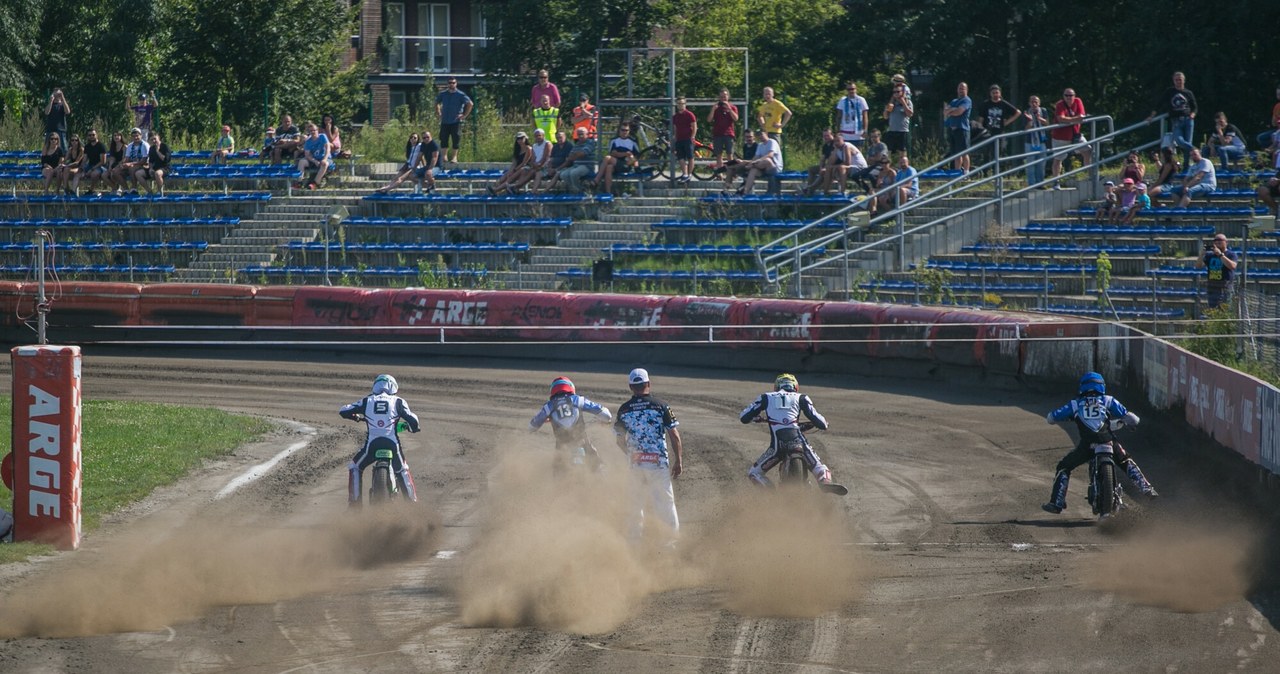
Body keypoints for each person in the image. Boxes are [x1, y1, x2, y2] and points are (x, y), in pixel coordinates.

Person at [1041, 372, 1158, 514]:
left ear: (1082, 387)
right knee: (1126, 460)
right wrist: (1128, 422)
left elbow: (1051, 418)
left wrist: (1068, 417)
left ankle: (1056, 503)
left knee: (1063, 466)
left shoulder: (1075, 404)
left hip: (1087, 445)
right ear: (1101, 386)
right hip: (1108, 441)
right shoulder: (1108, 400)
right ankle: (1147, 489)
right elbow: (1133, 419)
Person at [613, 368, 683, 545]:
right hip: (658, 463)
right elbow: (674, 435)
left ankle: (633, 544)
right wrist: (679, 461)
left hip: (636, 464)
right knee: (665, 504)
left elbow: (619, 439)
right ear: (648, 384)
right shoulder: (661, 405)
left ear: (631, 387)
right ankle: (670, 544)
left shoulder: (624, 409)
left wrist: (631, 455)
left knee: (635, 504)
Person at [339, 374, 421, 506]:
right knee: (402, 470)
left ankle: (354, 505)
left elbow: (343, 411)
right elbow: (413, 421)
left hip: (372, 446)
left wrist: (355, 417)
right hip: (392, 444)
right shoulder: (399, 401)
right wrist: (414, 428)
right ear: (394, 387)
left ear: (375, 386)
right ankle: (413, 505)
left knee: (355, 466)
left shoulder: (367, 400)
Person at [741, 373, 835, 488]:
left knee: (754, 473)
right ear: (795, 386)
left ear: (776, 386)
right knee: (820, 468)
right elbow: (821, 423)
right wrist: (824, 423)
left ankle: (771, 496)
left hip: (777, 447)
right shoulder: (802, 398)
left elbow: (744, 417)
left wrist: (756, 418)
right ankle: (825, 482)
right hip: (798, 441)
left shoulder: (766, 397)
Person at [529, 376, 613, 473]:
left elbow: (532, 426)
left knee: (557, 473)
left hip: (562, 446)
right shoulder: (578, 400)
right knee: (598, 465)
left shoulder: (549, 406)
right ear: (570, 388)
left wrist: (545, 419)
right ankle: (605, 481)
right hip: (581, 441)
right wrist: (605, 421)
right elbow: (607, 414)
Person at [1147, 71, 1197, 166]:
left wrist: (1193, 114)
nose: (1178, 81)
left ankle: (1186, 165)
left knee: (1187, 142)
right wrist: (1151, 116)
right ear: (1173, 81)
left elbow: (1194, 107)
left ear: (1184, 81)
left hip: (1188, 120)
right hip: (1176, 121)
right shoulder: (1170, 91)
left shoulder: (1188, 93)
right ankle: (1195, 150)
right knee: (1179, 141)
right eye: (1176, 80)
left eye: (1180, 80)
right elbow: (1159, 104)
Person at [1050, 88, 1091, 188]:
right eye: (1066, 95)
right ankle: (1056, 181)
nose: (1069, 97)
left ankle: (1091, 175)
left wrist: (1070, 120)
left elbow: (1082, 116)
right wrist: (1075, 119)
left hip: (1075, 135)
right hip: (1060, 137)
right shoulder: (1060, 104)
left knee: (1088, 151)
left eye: (1071, 95)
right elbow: (1061, 118)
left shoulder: (1078, 101)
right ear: (1063, 96)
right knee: (1058, 159)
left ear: (1074, 95)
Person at [1149, 147, 1215, 207]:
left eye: (1195, 154)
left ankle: (1179, 211)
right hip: (1196, 185)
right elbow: (1186, 178)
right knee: (1174, 191)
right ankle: (1180, 208)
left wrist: (1187, 186)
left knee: (1189, 191)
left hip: (1207, 185)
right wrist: (1184, 185)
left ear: (1200, 154)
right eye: (1191, 155)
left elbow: (1199, 177)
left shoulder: (1205, 162)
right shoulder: (1193, 167)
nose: (1193, 156)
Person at [973, 84, 1021, 157]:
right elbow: (981, 119)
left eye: (997, 92)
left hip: (999, 132)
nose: (995, 94)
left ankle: (997, 168)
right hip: (987, 132)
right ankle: (986, 168)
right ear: (990, 94)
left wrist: (1007, 122)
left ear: (1000, 93)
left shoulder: (1003, 103)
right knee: (986, 153)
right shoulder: (985, 104)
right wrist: (980, 130)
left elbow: (1018, 112)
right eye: (993, 93)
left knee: (998, 153)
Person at [436, 78, 473, 165]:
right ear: (447, 84)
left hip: (455, 121)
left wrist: (464, 115)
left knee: (456, 138)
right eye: (450, 83)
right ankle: (444, 156)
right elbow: (437, 102)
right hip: (445, 120)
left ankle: (454, 157)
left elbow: (470, 104)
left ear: (456, 83)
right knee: (443, 138)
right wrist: (438, 112)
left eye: (453, 83)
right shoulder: (443, 94)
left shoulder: (460, 94)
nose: (451, 84)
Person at [1198, 233, 1238, 311]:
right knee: (1213, 309)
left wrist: (1220, 255)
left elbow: (1232, 266)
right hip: (1212, 286)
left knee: (1224, 309)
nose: (1217, 244)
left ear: (1226, 242)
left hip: (1224, 286)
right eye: (1215, 242)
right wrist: (1201, 255)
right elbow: (1198, 266)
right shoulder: (1210, 255)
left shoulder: (1231, 254)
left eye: (1220, 242)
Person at [598, 124, 640, 195]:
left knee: (607, 158)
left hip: (626, 164)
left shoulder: (633, 142)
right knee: (609, 167)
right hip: (615, 163)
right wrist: (625, 153)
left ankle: (597, 180)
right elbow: (613, 153)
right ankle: (608, 192)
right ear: (619, 131)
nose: (624, 132)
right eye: (622, 130)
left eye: (626, 130)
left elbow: (636, 156)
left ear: (629, 131)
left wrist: (635, 165)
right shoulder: (614, 141)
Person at [487, 131, 533, 195]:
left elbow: (524, 162)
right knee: (503, 178)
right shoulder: (517, 149)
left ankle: (495, 190)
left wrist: (514, 170)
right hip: (517, 168)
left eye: (521, 138)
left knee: (510, 178)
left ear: (525, 138)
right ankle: (497, 191)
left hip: (525, 168)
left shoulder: (528, 148)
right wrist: (510, 171)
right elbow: (514, 163)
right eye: (518, 139)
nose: (519, 140)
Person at [739, 128, 782, 195]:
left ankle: (748, 168)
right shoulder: (760, 145)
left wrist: (756, 162)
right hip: (763, 168)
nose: (760, 136)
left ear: (766, 133)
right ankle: (745, 192)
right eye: (758, 135)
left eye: (761, 134)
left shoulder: (772, 142)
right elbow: (755, 157)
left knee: (767, 160)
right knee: (753, 170)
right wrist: (749, 162)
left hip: (774, 168)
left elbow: (770, 155)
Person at [508, 127, 551, 193]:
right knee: (524, 171)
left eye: (539, 135)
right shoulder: (534, 146)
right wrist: (534, 165)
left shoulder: (547, 144)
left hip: (544, 167)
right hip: (535, 167)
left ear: (543, 135)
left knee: (532, 172)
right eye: (536, 136)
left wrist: (539, 165)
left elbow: (546, 157)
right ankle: (512, 187)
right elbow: (533, 158)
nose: (538, 137)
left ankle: (516, 187)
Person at [943, 82, 972, 173]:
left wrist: (951, 111)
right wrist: (952, 110)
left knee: (964, 153)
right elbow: (945, 112)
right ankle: (957, 172)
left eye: (963, 88)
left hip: (962, 129)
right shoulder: (954, 101)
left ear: (966, 90)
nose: (961, 90)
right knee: (956, 154)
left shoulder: (966, 100)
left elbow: (959, 111)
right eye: (959, 88)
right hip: (953, 129)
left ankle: (966, 172)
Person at [558, 127, 598, 193]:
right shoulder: (577, 144)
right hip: (576, 165)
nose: (580, 136)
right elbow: (570, 156)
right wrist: (575, 155)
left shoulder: (590, 142)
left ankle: (580, 191)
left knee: (573, 173)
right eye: (579, 134)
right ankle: (575, 189)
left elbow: (582, 153)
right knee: (563, 174)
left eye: (582, 134)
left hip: (587, 166)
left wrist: (575, 155)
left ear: (587, 134)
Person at [708, 88, 739, 172]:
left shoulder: (733, 107)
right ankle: (720, 173)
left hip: (729, 134)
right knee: (719, 155)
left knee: (730, 154)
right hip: (718, 134)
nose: (723, 98)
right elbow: (709, 120)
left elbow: (736, 119)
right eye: (721, 96)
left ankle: (731, 173)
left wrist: (729, 109)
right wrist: (713, 109)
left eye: (725, 96)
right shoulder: (716, 107)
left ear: (728, 96)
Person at [1022, 95, 1050, 188]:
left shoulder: (1043, 111)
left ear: (1039, 103)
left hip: (1042, 141)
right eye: (1032, 102)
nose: (1034, 104)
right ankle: (1032, 185)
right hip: (1030, 142)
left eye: (1036, 102)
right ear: (1029, 103)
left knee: (1041, 164)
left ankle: (1040, 183)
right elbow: (1025, 129)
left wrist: (1040, 118)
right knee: (1030, 165)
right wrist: (1030, 121)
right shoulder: (1026, 112)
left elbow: (1047, 124)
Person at [883, 75, 914, 160]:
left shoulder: (907, 99)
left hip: (902, 131)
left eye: (897, 92)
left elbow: (910, 114)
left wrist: (903, 102)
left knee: (902, 153)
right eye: (894, 92)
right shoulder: (892, 102)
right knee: (888, 152)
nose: (896, 93)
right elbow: (885, 117)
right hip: (892, 130)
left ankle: (903, 168)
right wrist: (887, 109)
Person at [295, 121, 332, 189]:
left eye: (314, 130)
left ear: (317, 130)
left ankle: (315, 183)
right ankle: (299, 182)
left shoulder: (322, 136)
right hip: (313, 159)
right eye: (311, 131)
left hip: (324, 158)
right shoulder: (308, 141)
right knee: (302, 162)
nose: (313, 132)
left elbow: (328, 149)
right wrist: (314, 161)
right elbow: (307, 155)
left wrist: (324, 158)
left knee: (325, 163)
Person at [834, 82, 869, 148]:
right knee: (846, 152)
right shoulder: (843, 100)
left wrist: (865, 130)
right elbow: (839, 116)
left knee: (858, 153)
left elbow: (865, 116)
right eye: (849, 89)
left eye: (852, 89)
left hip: (858, 133)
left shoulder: (861, 100)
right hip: (845, 133)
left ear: (856, 89)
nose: (851, 91)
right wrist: (837, 130)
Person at [671, 97, 698, 183]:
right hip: (679, 139)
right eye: (679, 103)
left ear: (685, 104)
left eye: (682, 103)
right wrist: (675, 137)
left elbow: (694, 126)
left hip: (688, 138)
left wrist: (693, 136)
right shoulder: (675, 116)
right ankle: (685, 174)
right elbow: (675, 128)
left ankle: (689, 174)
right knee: (680, 157)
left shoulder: (690, 114)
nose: (680, 105)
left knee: (690, 157)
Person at [136, 131, 171, 195]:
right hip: (155, 168)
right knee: (138, 173)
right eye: (152, 139)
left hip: (164, 168)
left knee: (157, 173)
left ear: (159, 138)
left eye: (155, 139)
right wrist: (150, 169)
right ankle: (149, 191)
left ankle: (160, 192)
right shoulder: (151, 148)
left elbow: (165, 159)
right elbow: (151, 161)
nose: (154, 141)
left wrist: (157, 151)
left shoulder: (165, 146)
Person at [81, 129, 109, 195]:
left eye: (93, 135)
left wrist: (91, 169)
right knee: (78, 174)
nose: (91, 136)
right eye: (90, 135)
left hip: (100, 166)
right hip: (90, 165)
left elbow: (103, 162)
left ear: (96, 135)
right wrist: (82, 169)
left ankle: (91, 190)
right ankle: (72, 193)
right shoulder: (87, 147)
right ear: (88, 136)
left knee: (94, 174)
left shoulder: (101, 146)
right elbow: (84, 159)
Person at [1256, 84, 1280, 150]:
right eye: (1277, 94)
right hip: (1278, 129)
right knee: (1261, 138)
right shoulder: (1277, 106)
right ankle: (1269, 153)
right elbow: (1274, 123)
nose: (1278, 96)